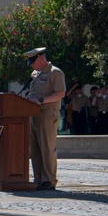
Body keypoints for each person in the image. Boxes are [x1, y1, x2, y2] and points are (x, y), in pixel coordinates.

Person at [23, 47, 66, 191]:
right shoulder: (35, 73)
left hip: (47, 114)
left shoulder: (55, 72)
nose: (32, 65)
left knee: (47, 148)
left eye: (33, 62)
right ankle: (38, 179)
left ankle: (49, 180)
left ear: (41, 58)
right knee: (34, 150)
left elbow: (60, 93)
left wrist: (41, 100)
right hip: (33, 114)